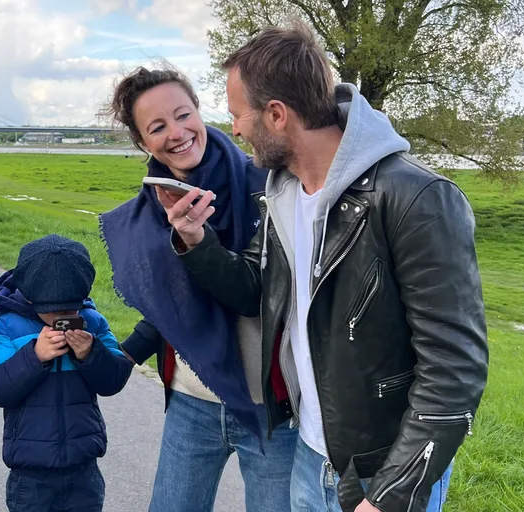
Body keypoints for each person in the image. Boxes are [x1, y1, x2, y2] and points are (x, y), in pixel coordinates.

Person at [166, 23, 488, 512]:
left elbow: (455, 370)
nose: (231, 129)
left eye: (237, 115)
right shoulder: (282, 191)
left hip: (378, 473)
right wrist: (195, 240)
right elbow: (256, 290)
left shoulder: (416, 197)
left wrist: (391, 493)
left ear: (276, 115)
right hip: (308, 454)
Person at [99, 66, 298, 512]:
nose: (177, 133)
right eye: (157, 127)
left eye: (183, 114)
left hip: (269, 407)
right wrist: (128, 352)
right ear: (142, 141)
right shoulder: (152, 206)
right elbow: (170, 302)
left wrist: (196, 240)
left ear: (199, 111)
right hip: (192, 400)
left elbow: (255, 295)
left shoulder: (266, 186)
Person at [0, 234, 133, 512]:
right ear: (30, 296)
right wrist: (34, 356)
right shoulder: (8, 327)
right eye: (53, 312)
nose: (63, 317)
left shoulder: (93, 323)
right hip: (30, 473)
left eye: (71, 309)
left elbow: (114, 380)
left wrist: (91, 353)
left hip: (83, 467)